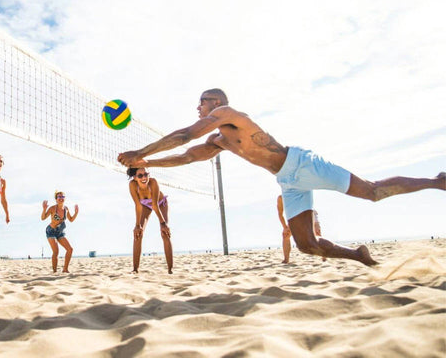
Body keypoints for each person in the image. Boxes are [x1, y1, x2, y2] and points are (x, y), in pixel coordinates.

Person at [118, 88, 446, 266]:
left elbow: (186, 134)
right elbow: (188, 155)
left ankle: (437, 180)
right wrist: (147, 162)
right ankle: (359, 256)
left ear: (216, 103)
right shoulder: (217, 140)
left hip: (302, 163)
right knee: (307, 245)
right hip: (288, 182)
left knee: (372, 193)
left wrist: (140, 151)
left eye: (201, 103)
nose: (198, 108)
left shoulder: (229, 116)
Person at [127, 167, 173, 274]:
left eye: (146, 174)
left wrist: (163, 224)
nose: (144, 177)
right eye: (140, 176)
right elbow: (138, 205)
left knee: (164, 233)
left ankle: (170, 270)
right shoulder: (132, 185)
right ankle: (135, 269)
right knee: (138, 233)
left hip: (160, 204)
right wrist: (137, 225)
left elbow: (155, 205)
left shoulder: (153, 183)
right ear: (135, 178)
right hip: (145, 205)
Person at [277, 195, 325, 263]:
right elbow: (280, 214)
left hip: (308, 212)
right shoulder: (281, 198)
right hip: (295, 216)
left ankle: (324, 256)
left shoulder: (299, 190)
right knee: (286, 235)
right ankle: (286, 259)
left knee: (317, 233)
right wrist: (285, 227)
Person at [41, 191, 78, 273]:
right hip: (51, 231)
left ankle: (65, 269)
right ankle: (54, 271)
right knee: (56, 251)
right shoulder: (52, 208)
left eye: (62, 197)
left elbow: (71, 219)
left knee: (70, 249)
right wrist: (44, 209)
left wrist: (76, 213)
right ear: (56, 199)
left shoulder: (66, 209)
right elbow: (43, 218)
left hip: (60, 232)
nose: (61, 198)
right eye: (59, 197)